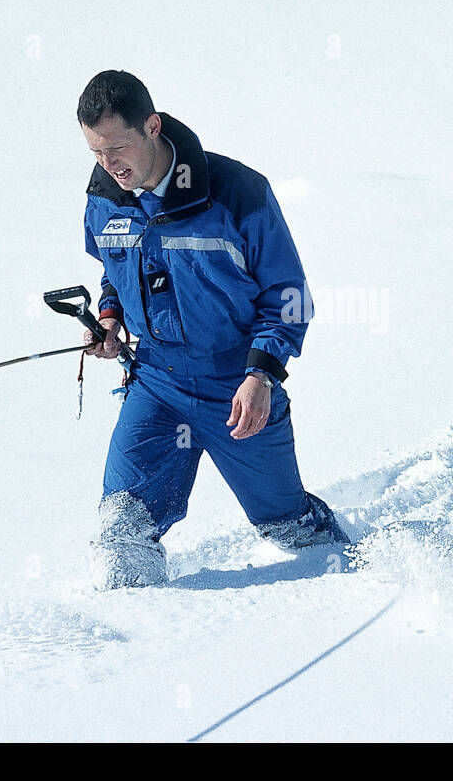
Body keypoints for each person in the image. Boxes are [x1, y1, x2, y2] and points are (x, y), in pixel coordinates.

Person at [77, 70, 348, 589]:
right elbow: (113, 271)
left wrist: (262, 375)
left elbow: (287, 295)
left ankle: (356, 569)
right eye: (95, 154)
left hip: (238, 388)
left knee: (288, 528)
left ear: (152, 126)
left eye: (116, 150)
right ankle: (139, 643)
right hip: (156, 384)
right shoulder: (104, 198)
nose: (108, 167)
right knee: (121, 533)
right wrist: (109, 317)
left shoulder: (237, 192)